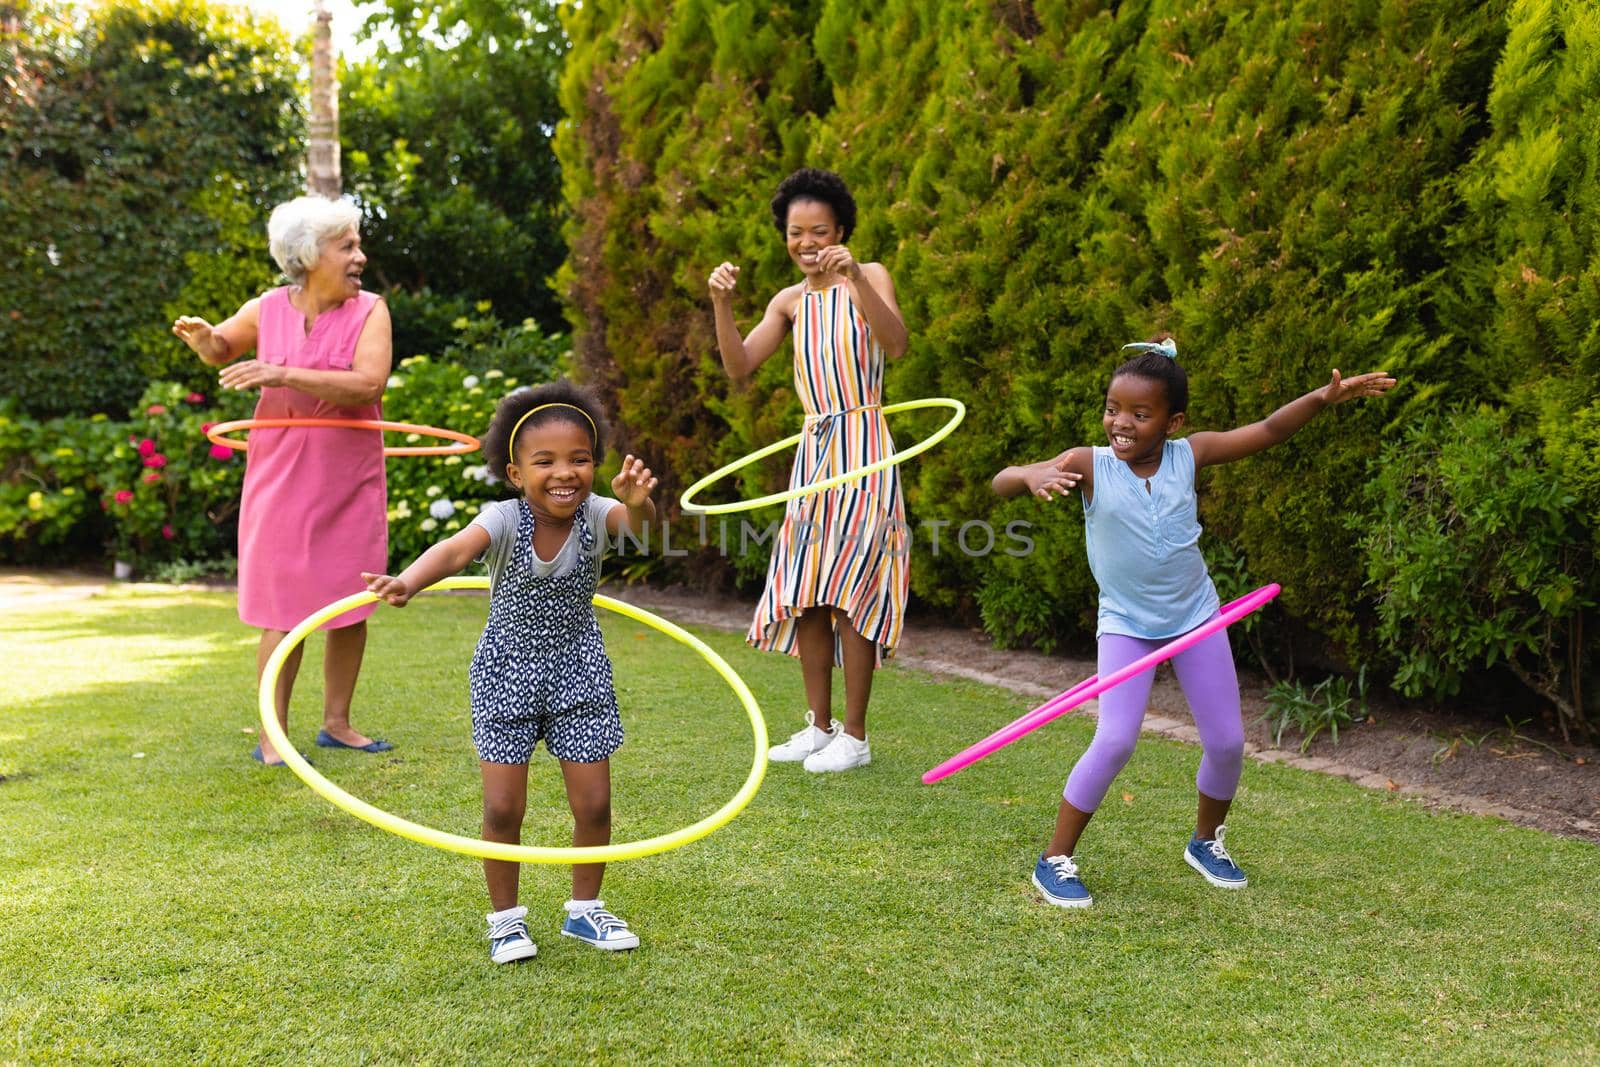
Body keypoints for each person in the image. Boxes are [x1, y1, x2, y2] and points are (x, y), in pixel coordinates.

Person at [991, 337, 1395, 907]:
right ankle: (1055, 857)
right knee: (1114, 739)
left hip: (1195, 620)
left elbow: (1269, 430)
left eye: (1140, 413)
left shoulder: (1191, 453)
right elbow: (1001, 480)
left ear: (1173, 421)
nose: (1120, 423)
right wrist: (1030, 476)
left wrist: (1321, 399)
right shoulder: (1089, 464)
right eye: (1112, 409)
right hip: (1127, 624)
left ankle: (1206, 841)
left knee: (1228, 742)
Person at [363, 381, 658, 963]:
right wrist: (408, 581)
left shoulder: (600, 514)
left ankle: (584, 911)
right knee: (503, 808)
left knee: (595, 804)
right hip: (506, 672)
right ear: (516, 473)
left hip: (581, 670)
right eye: (544, 461)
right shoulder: (502, 518)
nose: (563, 473)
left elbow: (641, 531)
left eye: (579, 459)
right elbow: (452, 551)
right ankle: (505, 921)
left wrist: (639, 501)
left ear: (595, 467)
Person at [172, 196, 393, 765]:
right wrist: (205, 343)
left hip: (347, 474)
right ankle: (274, 734)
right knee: (281, 606)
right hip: (279, 473)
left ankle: (337, 723)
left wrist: (283, 371)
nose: (359, 257)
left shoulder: (371, 311)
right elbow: (224, 348)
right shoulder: (266, 308)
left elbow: (368, 385)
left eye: (356, 244)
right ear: (309, 255)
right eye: (346, 246)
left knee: (351, 599)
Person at [706, 167, 909, 774]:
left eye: (819, 230)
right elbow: (739, 364)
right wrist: (721, 303)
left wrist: (853, 278)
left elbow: (895, 344)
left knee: (852, 586)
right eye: (796, 232)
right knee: (809, 591)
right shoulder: (788, 302)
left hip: (866, 443)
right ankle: (819, 728)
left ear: (841, 229)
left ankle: (856, 735)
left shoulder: (868, 276)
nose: (807, 243)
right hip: (814, 449)